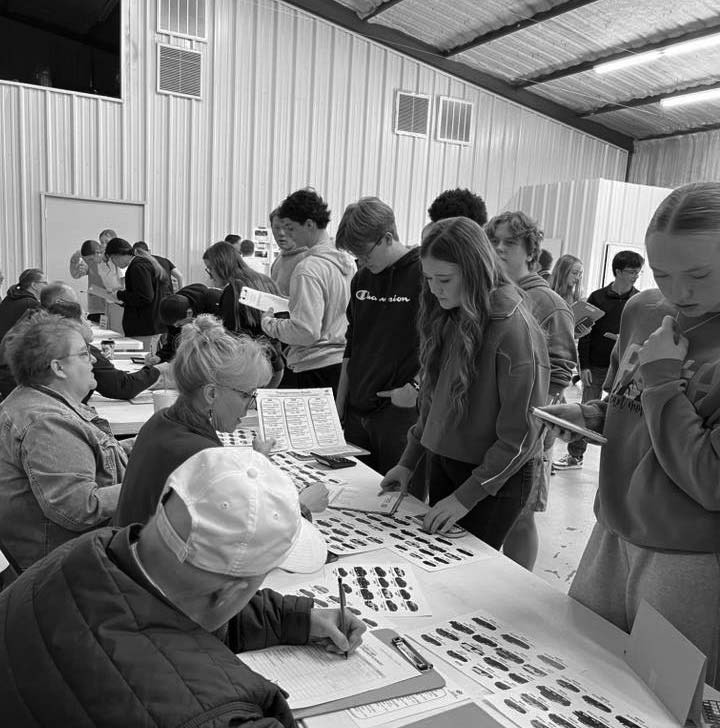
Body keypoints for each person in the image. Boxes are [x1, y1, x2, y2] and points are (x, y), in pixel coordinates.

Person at [0, 446, 366, 725]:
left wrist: (297, 619)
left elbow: (179, 604)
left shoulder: (87, 553)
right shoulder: (213, 716)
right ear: (230, 593)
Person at [541, 182, 720, 688]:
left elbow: (711, 480)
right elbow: (630, 403)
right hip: (611, 527)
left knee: (663, 698)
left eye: (699, 274)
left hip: (687, 555)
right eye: (662, 273)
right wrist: (592, 414)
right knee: (579, 676)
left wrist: (663, 379)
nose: (679, 292)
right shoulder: (644, 309)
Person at [380, 217, 549, 548]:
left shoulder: (513, 329)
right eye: (428, 278)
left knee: (467, 567)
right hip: (446, 463)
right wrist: (408, 461)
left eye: (444, 279)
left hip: (494, 480)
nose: (434, 289)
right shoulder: (452, 311)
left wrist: (465, 497)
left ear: (474, 271)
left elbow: (521, 434)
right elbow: (434, 402)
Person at [115, 315, 328, 527]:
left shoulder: (162, 420)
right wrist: (302, 507)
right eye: (246, 395)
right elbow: (248, 532)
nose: (249, 405)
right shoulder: (203, 455)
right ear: (211, 394)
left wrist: (255, 461)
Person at [485, 211, 577, 570]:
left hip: (529, 432)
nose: (500, 248)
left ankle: (519, 583)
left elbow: (562, 369)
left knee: (521, 514)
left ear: (530, 250)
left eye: (510, 242)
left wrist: (533, 416)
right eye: (494, 241)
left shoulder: (547, 301)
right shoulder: (490, 294)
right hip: (490, 423)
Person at [0, 313, 127, 570]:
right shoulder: (47, 423)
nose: (93, 359)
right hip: (64, 570)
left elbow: (92, 454)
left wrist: (144, 444)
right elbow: (80, 507)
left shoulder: (37, 402)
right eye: (83, 353)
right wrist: (147, 484)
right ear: (58, 368)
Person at [334, 197, 423, 483]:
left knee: (400, 499)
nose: (361, 261)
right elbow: (352, 343)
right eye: (355, 255)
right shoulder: (362, 278)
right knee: (353, 492)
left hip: (400, 415)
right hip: (358, 410)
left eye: (364, 253)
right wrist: (340, 401)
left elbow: (446, 345)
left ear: (387, 238)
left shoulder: (425, 275)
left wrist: (417, 387)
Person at [553, 250, 644, 471]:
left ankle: (617, 462)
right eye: (631, 271)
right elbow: (586, 335)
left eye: (638, 272)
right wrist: (583, 366)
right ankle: (575, 456)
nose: (635, 276)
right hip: (595, 364)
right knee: (586, 411)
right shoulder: (598, 297)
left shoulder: (638, 301)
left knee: (622, 413)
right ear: (618, 271)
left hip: (624, 368)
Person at [261, 189, 354, 395]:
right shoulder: (346, 260)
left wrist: (269, 324)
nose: (287, 234)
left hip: (314, 364)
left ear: (309, 224)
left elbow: (306, 332)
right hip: (342, 361)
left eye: (291, 228)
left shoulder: (308, 269)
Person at [40, 282, 171, 401]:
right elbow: (121, 387)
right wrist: (156, 371)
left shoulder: (47, 336)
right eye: (85, 318)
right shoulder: (71, 347)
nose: (89, 323)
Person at [203, 241, 284, 385]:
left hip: (252, 368)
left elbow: (231, 337)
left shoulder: (233, 291)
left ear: (221, 265)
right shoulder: (265, 281)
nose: (210, 276)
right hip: (276, 363)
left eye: (210, 269)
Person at [105, 237, 169, 351]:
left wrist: (119, 295)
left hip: (145, 326)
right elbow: (140, 296)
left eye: (112, 259)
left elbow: (145, 297)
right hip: (152, 324)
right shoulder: (143, 263)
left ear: (118, 255)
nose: (114, 263)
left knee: (142, 359)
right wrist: (121, 300)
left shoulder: (137, 267)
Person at [151, 283, 222, 363]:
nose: (176, 327)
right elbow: (173, 342)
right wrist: (160, 357)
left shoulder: (212, 303)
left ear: (189, 313)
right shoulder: (172, 309)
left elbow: (222, 338)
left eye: (179, 324)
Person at [269, 206, 309, 296]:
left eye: (288, 228)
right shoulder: (279, 258)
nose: (281, 233)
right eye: (277, 228)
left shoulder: (306, 260)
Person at [0, 268, 45, 341]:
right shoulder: (31, 304)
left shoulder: (9, 298)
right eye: (44, 283)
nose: (47, 286)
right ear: (34, 285)